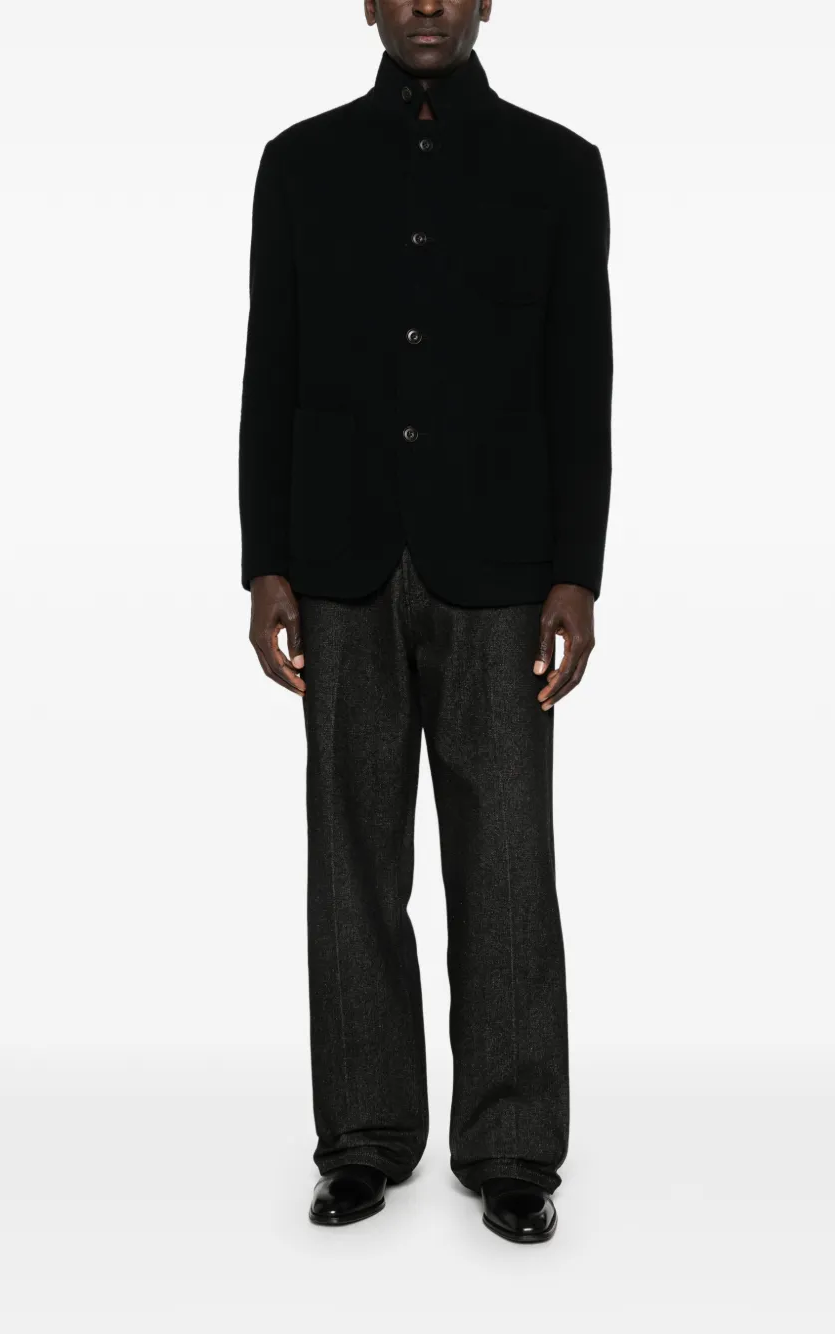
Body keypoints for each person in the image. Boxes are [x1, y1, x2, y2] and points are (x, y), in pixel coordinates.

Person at [239, 0, 612, 1245]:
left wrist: (576, 573)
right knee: (350, 856)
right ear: (367, 0)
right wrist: (265, 561)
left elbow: (581, 381)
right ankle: (361, 1136)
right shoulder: (299, 164)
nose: (427, 6)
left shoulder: (557, 167)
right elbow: (271, 367)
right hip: (338, 557)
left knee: (504, 858)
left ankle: (511, 1145)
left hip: (500, 567)